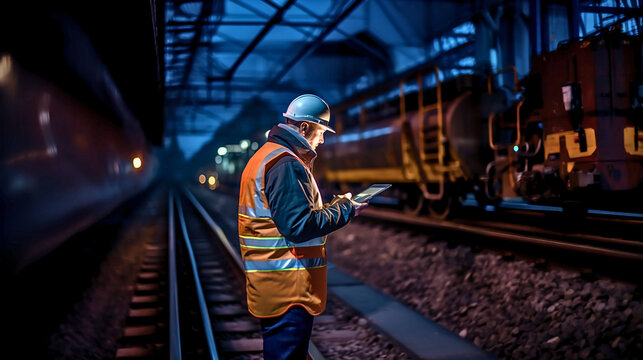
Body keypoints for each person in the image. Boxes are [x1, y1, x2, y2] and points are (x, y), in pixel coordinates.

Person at [238, 94, 367, 359]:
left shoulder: (267, 156)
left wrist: (334, 206)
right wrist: (346, 209)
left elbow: (291, 217)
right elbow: (298, 225)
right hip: (288, 287)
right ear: (305, 127)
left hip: (276, 283)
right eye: (321, 132)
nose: (322, 139)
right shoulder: (285, 163)